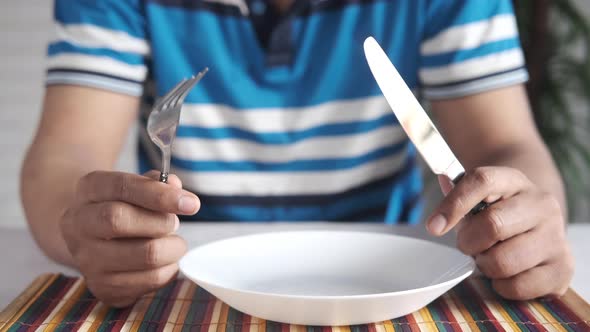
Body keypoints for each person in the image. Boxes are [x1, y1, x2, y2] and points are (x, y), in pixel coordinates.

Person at [21, 0, 573, 307]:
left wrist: (522, 215)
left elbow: (507, 145)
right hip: (185, 276)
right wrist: (87, 227)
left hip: (392, 273)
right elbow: (64, 156)